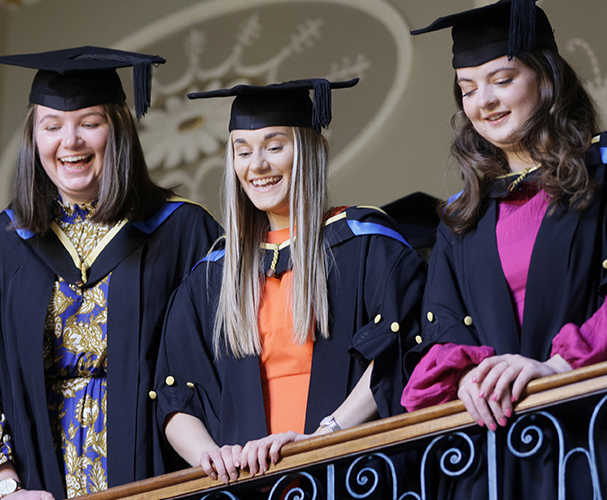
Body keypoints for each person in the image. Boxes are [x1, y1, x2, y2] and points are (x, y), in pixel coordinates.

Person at [400, 1, 607, 498]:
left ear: (546, 79)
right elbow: (442, 329)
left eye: (502, 79)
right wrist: (468, 379)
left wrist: (555, 368)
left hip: (603, 438)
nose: (483, 101)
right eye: (467, 90)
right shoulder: (461, 219)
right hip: (500, 457)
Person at [0, 46, 222, 500]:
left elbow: (222, 363)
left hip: (158, 477)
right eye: (51, 126)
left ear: (119, 132)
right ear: (34, 140)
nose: (69, 142)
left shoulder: (184, 233)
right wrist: (7, 486)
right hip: (36, 486)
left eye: (89, 124)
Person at [154, 78, 426, 483]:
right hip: (250, 485)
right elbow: (174, 397)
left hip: (349, 474)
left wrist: (323, 438)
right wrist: (213, 459)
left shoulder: (365, 244)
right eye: (242, 151)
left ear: (311, 150)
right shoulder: (212, 275)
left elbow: (402, 348)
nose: (256, 165)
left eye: (274, 146)